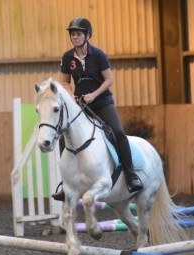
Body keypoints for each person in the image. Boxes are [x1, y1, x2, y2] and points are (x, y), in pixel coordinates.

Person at [52, 17, 142, 201]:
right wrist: (72, 96)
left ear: (87, 35)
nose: (75, 37)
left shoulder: (99, 55)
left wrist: (94, 94)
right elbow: (64, 81)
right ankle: (65, 183)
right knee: (64, 137)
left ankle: (131, 175)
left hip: (102, 102)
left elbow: (109, 80)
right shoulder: (67, 57)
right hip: (81, 104)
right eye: (73, 34)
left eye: (78, 34)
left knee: (118, 132)